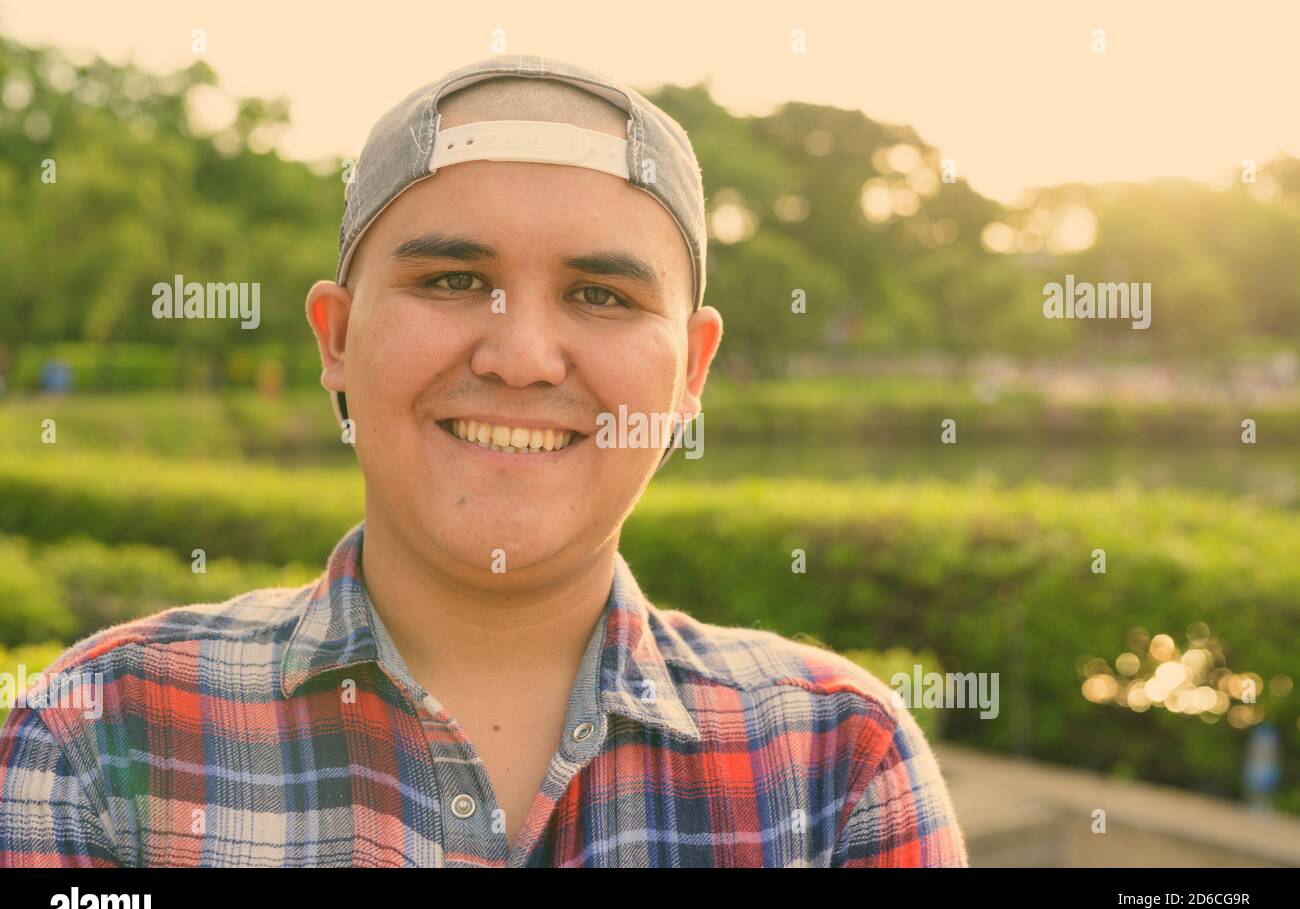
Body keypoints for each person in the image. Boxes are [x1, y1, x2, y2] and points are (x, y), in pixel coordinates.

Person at [0, 55, 967, 867]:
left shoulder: (837, 768)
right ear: (336, 337)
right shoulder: (98, 741)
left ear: (691, 371)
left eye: (601, 296)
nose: (520, 357)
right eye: (454, 280)